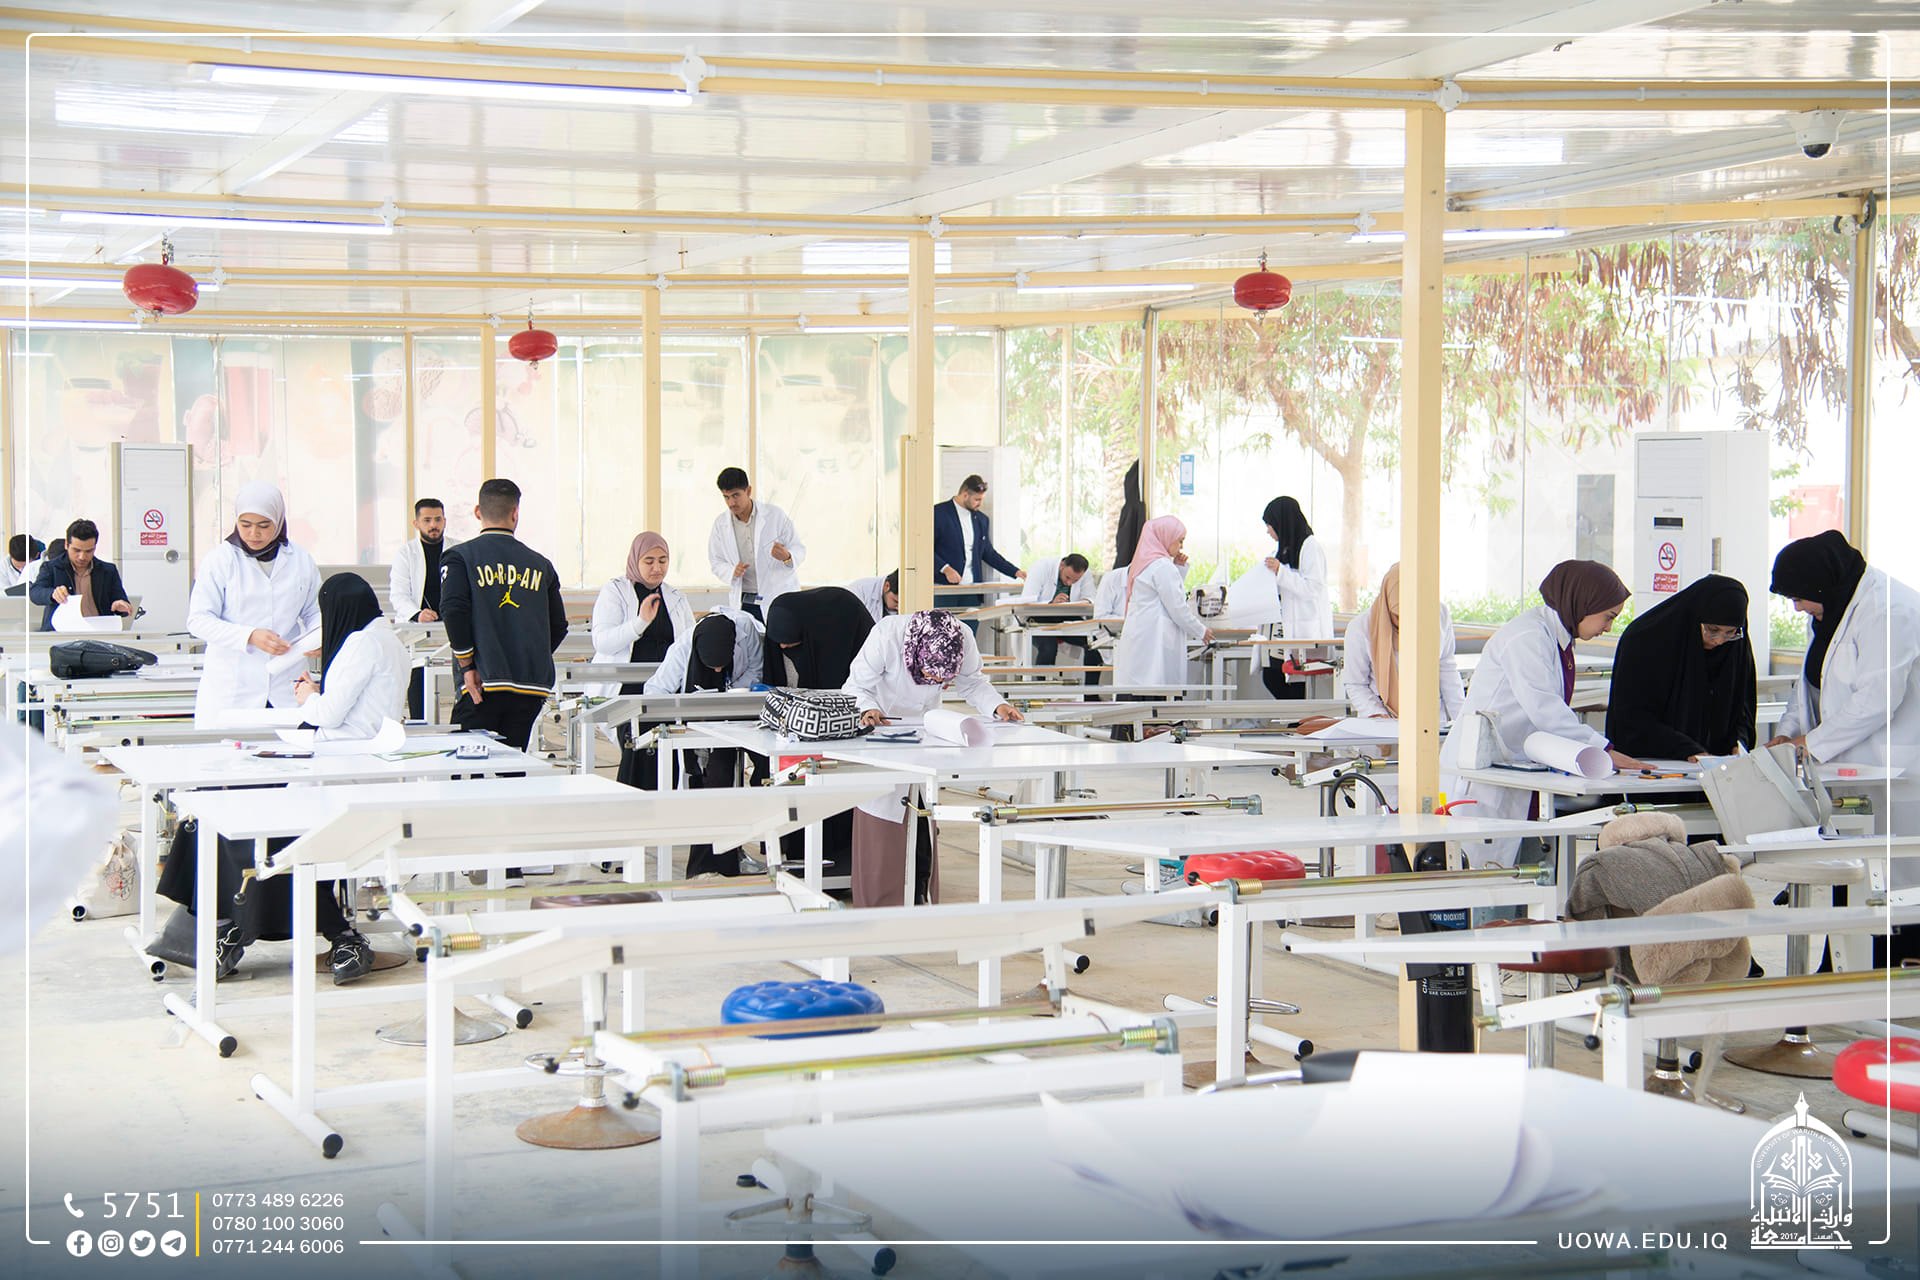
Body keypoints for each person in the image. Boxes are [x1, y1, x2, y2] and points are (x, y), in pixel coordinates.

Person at [1767, 531, 1920, 949]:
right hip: (1849, 768)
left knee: (1896, 883)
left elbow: (1876, 700)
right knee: (1851, 874)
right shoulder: (1832, 609)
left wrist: (1809, 744)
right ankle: (1842, 962)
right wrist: (1786, 734)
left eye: (1799, 597)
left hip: (1897, 768)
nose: (1797, 607)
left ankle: (1893, 966)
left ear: (1822, 583)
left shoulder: (1890, 610)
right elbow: (1808, 688)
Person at [1440, 560, 1646, 867]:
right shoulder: (1528, 636)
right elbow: (1545, 708)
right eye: (1608, 617)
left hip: (1513, 767)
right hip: (1482, 774)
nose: (1608, 627)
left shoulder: (1556, 638)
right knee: (1483, 874)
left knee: (1515, 873)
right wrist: (1602, 749)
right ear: (1583, 602)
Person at [843, 609, 1022, 907]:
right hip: (882, 728)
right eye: (928, 675)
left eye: (941, 678)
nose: (934, 681)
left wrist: (997, 706)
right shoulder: (887, 635)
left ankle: (920, 894)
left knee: (923, 814)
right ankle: (880, 903)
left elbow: (973, 682)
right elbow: (856, 685)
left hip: (926, 731)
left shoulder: (962, 636)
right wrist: (867, 708)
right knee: (883, 817)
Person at [439, 478, 568, 754]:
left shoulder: (459, 557)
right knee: (511, 761)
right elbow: (558, 625)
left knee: (465, 764)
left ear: (478, 511)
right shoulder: (541, 565)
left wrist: (467, 666)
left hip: (482, 681)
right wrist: (531, 656)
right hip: (531, 684)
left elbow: (453, 610)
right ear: (515, 513)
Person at [765, 586, 877, 891]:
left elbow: (852, 689)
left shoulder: (847, 625)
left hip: (860, 720)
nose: (785, 650)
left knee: (846, 787)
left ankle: (846, 870)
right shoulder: (792, 624)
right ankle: (805, 864)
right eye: (780, 645)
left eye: (793, 645)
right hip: (807, 740)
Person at [187, 482, 321, 726]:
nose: (253, 534)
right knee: (231, 747)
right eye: (245, 525)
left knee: (290, 746)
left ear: (278, 521)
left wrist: (319, 637)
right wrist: (249, 636)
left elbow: (314, 611)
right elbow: (198, 620)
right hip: (233, 686)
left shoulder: (301, 560)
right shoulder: (220, 560)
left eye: (263, 525)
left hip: (285, 684)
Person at [644, 609, 766, 876]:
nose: (719, 670)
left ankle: (738, 852)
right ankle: (709, 863)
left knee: (750, 774)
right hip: (699, 721)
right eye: (713, 666)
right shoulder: (682, 648)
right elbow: (655, 691)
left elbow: (755, 669)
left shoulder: (745, 632)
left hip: (738, 714)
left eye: (723, 663)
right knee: (713, 782)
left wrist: (731, 692)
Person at [1605, 574, 1756, 761]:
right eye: (1712, 630)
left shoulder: (1735, 646)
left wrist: (1739, 743)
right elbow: (1630, 717)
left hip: (1716, 767)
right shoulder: (1644, 640)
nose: (1719, 641)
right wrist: (1685, 750)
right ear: (1695, 616)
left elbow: (1743, 708)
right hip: (1652, 764)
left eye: (1730, 632)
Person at [592, 531, 695, 789]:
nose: (657, 568)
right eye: (649, 561)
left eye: (663, 560)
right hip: (627, 691)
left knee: (667, 753)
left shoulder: (676, 597)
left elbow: (689, 641)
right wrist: (640, 622)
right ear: (635, 560)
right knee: (638, 749)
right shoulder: (615, 591)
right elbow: (602, 642)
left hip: (665, 690)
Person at [1343, 563, 1466, 722]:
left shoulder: (1438, 614)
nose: (1404, 623)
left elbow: (1447, 669)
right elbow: (1355, 684)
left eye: (1411, 615)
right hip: (1382, 721)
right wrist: (1380, 716)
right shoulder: (1360, 628)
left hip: (1431, 718)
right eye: (1397, 616)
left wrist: (1462, 720)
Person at [1113, 516, 1212, 688]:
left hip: (1141, 636)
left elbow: (1164, 595)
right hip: (1154, 640)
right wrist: (1201, 631)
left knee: (1138, 688)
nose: (1181, 547)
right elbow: (1177, 608)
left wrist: (1178, 568)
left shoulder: (1145, 563)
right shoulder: (1162, 566)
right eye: (1180, 541)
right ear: (1166, 537)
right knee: (1156, 689)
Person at [1260, 496, 1333, 700]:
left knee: (1292, 682)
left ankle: (1297, 719)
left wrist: (1280, 572)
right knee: (1272, 676)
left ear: (1281, 522)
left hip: (1305, 629)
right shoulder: (1284, 549)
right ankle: (1293, 718)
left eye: (1269, 525)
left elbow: (1313, 588)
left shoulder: (1310, 547)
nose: (1268, 531)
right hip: (1284, 630)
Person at [707, 466, 804, 619]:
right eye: (726, 497)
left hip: (778, 596)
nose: (731, 503)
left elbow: (799, 549)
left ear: (748, 491)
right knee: (747, 633)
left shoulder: (775, 515)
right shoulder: (721, 524)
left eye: (736, 495)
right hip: (745, 599)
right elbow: (716, 561)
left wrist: (787, 556)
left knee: (778, 633)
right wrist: (732, 571)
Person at [390, 497, 456, 718]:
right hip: (418, 630)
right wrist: (417, 614)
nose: (433, 525)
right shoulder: (406, 553)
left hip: (452, 627)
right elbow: (398, 595)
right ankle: (419, 723)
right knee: (418, 676)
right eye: (427, 520)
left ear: (444, 521)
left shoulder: (459, 549)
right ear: (416, 523)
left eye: (438, 519)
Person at [933, 474, 1024, 616]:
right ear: (965, 495)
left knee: (970, 628)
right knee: (943, 628)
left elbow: (988, 553)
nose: (980, 503)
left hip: (971, 589)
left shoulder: (981, 520)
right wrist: (945, 569)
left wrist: (1016, 572)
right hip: (944, 589)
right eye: (977, 499)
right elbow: (925, 549)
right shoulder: (938, 513)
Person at [29, 518, 133, 631]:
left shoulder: (108, 570)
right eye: (77, 550)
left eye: (89, 551)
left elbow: (120, 599)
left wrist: (120, 605)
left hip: (100, 631)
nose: (82, 557)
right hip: (61, 633)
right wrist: (52, 594)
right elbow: (35, 593)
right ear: (66, 545)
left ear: (95, 547)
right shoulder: (51, 567)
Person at [1018, 553, 1097, 671]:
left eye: (1075, 580)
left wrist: (1084, 602)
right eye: (1067, 577)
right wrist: (1051, 602)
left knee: (1094, 644)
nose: (1069, 583)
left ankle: (1091, 683)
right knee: (1048, 647)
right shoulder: (1041, 567)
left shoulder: (1085, 574)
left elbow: (1091, 598)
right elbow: (1027, 601)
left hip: (1066, 616)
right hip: (1039, 616)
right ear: (1062, 565)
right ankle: (1043, 682)